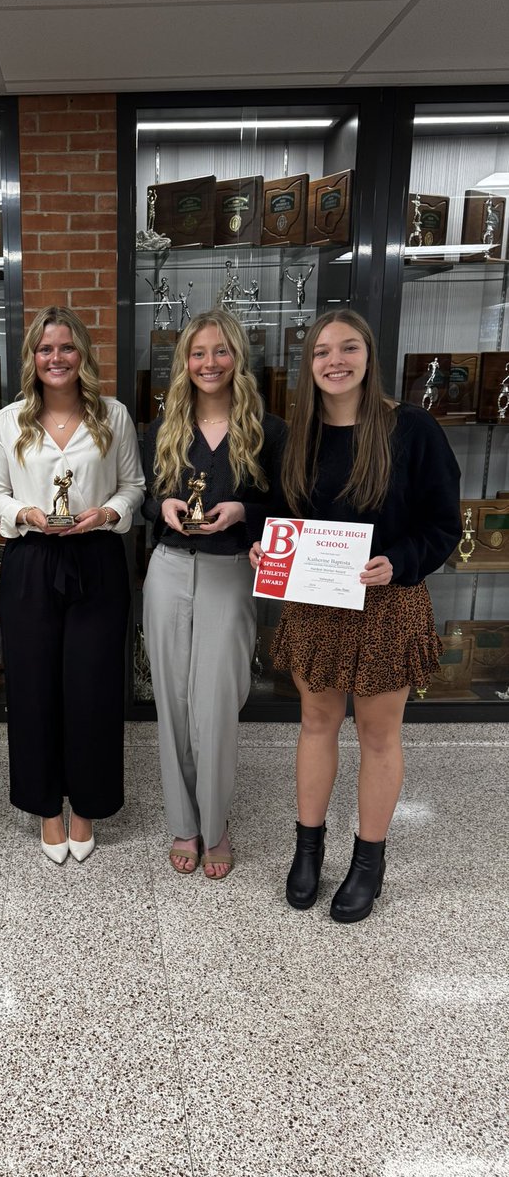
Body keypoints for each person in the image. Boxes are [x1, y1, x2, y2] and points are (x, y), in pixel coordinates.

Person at [250, 309, 461, 922]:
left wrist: (398, 561)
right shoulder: (298, 437)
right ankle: (307, 849)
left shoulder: (412, 430)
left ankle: (369, 860)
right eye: (321, 352)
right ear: (308, 364)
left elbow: (443, 525)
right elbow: (283, 512)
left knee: (377, 735)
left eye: (347, 349)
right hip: (316, 605)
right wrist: (270, 545)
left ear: (369, 355)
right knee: (316, 724)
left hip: (388, 604)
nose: (334, 361)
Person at [0, 306, 144, 864]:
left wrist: (107, 514)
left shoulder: (113, 416)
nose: (57, 358)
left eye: (67, 347)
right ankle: (47, 809)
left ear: (83, 356)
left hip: (96, 559)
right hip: (31, 559)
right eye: (46, 349)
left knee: (93, 688)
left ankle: (86, 809)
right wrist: (24, 511)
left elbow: (135, 488)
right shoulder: (10, 420)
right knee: (33, 689)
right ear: (32, 357)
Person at [142, 310, 286, 880]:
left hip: (231, 572)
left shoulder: (269, 431)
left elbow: (288, 504)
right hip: (169, 569)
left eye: (220, 352)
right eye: (198, 353)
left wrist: (244, 511)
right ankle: (184, 821)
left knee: (217, 703)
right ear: (184, 362)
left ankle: (216, 820)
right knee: (172, 702)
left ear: (238, 359)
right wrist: (165, 508)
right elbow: (147, 499)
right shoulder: (162, 429)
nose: (209, 364)